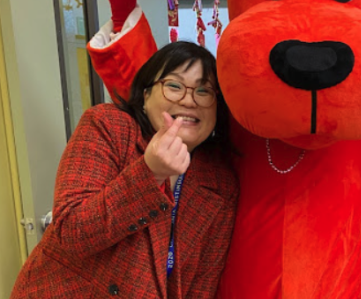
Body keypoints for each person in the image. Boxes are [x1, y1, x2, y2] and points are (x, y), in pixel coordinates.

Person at [11, 41, 238, 299]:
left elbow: (201, 287)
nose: (189, 100)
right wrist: (151, 173)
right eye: (174, 85)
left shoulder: (219, 182)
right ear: (145, 95)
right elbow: (71, 231)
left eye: (204, 91)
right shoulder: (108, 126)